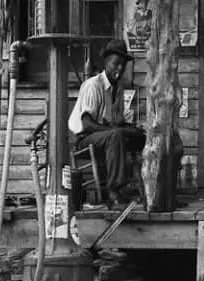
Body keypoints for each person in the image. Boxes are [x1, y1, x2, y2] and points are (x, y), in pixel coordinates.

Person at [68, 39, 177, 206]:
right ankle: (114, 190)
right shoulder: (92, 85)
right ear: (106, 63)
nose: (119, 68)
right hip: (84, 138)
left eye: (123, 65)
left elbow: (115, 121)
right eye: (115, 64)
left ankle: (158, 187)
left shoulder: (117, 89)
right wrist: (115, 129)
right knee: (116, 135)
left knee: (145, 135)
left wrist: (134, 128)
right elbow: (88, 124)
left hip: (105, 135)